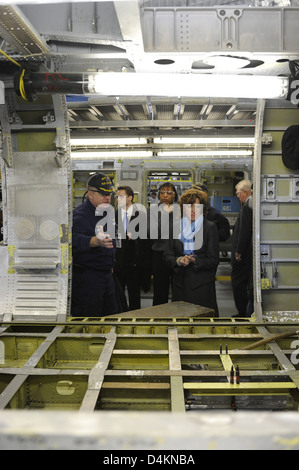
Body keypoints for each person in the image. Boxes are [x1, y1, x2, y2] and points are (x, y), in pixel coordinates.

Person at [164, 188, 220, 316]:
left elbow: (213, 260)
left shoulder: (209, 228)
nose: (193, 210)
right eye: (190, 207)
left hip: (202, 286)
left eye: (197, 207)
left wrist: (195, 260)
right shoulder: (174, 227)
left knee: (203, 325)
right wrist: (178, 260)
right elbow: (167, 255)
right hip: (180, 286)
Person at [71, 172, 117, 317]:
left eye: (109, 194)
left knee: (110, 316)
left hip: (106, 275)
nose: (108, 197)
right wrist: (94, 241)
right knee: (91, 319)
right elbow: (72, 240)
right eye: (103, 194)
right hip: (88, 279)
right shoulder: (80, 215)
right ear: (90, 194)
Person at [114, 185, 147, 310]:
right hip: (118, 261)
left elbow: (145, 241)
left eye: (121, 196)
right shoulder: (114, 215)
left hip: (134, 262)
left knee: (134, 294)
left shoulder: (140, 216)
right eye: (117, 196)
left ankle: (135, 319)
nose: (118, 199)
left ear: (130, 197)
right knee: (119, 294)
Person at [150, 182, 178, 305]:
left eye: (169, 193)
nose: (165, 195)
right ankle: (158, 315)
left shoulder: (180, 210)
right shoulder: (152, 211)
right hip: (159, 253)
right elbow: (152, 231)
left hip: (176, 253)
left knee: (178, 287)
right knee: (160, 287)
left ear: (174, 195)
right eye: (162, 193)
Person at [231, 179, 253, 317]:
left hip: (244, 254)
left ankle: (242, 312)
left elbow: (244, 231)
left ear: (245, 192)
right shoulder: (251, 205)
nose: (238, 196)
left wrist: (239, 251)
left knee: (238, 283)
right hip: (249, 254)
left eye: (238, 193)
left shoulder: (246, 207)